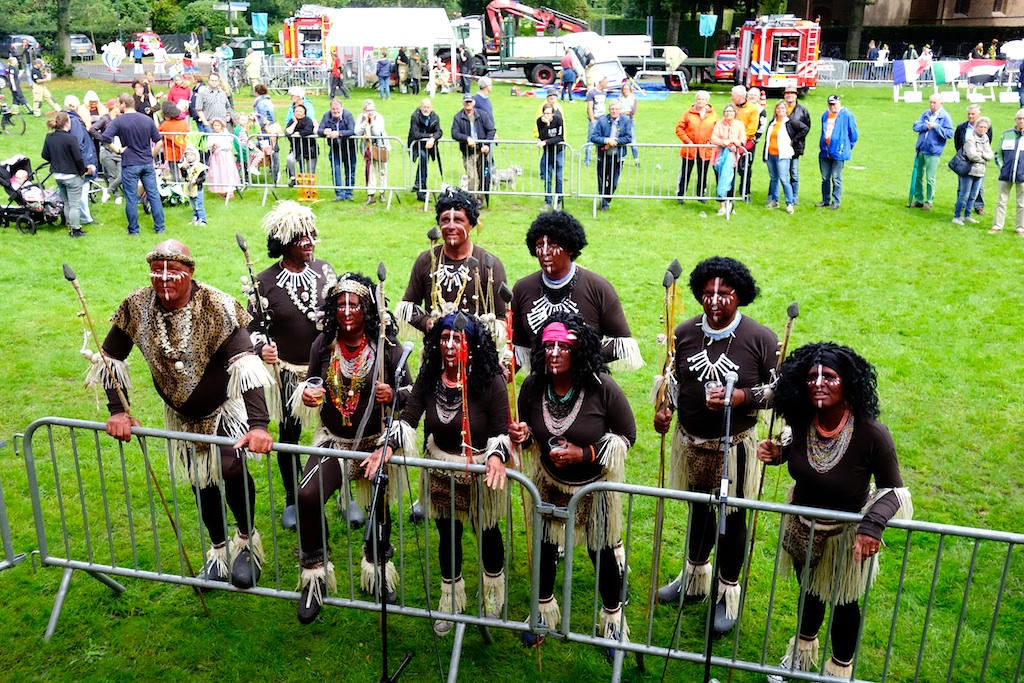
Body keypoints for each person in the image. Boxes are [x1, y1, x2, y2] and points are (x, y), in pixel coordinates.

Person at [86, 240, 275, 590]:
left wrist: (259, 425)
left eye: (173, 270)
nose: (164, 278)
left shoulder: (217, 305)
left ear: (189, 271)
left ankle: (247, 543)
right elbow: (110, 359)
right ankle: (218, 552)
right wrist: (118, 411)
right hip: (181, 416)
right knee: (201, 481)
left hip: (223, 408)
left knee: (231, 468)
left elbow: (246, 365)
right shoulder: (136, 305)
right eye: (157, 270)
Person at [757, 343, 912, 681]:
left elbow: (894, 492)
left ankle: (840, 670)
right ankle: (799, 658)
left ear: (848, 383)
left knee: (844, 602)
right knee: (809, 593)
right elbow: (799, 453)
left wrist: (872, 526)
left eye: (829, 376)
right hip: (803, 529)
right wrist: (777, 453)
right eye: (811, 376)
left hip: (846, 537)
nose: (819, 383)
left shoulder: (872, 434)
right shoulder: (802, 421)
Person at [653, 256, 777, 637]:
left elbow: (780, 392)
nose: (715, 301)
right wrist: (665, 409)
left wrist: (742, 397)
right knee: (698, 511)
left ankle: (727, 592)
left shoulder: (761, 338)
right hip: (691, 442)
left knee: (732, 517)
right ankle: (694, 580)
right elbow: (674, 380)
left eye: (725, 294)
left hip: (734, 448)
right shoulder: (685, 332)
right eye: (708, 293)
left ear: (740, 296)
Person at [508, 313, 635, 655]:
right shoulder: (532, 386)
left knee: (602, 551)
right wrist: (523, 435)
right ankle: (543, 614)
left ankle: (613, 623)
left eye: (563, 347)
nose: (554, 353)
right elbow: (530, 432)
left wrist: (585, 454)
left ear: (578, 350)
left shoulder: (601, 387)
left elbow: (627, 435)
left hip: (594, 487)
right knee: (545, 547)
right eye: (548, 346)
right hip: (549, 482)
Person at [291, 273, 411, 623]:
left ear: (367, 309)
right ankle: (314, 575)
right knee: (307, 495)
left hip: (377, 443)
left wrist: (394, 394)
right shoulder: (323, 345)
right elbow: (310, 383)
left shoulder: (386, 345)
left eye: (354, 304)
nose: (346, 310)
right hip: (334, 440)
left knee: (379, 506)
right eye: (340, 304)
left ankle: (378, 569)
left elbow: (412, 393)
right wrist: (307, 395)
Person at [390, 314, 510, 634]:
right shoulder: (430, 375)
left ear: (472, 344)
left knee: (487, 531)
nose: (450, 345)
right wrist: (389, 446)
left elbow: (501, 430)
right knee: (448, 535)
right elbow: (409, 417)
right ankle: (451, 601)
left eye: (458, 338)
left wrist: (496, 457)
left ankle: (493, 594)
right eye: (445, 338)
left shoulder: (490, 380)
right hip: (441, 469)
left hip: (481, 471)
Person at [246, 202, 337, 530]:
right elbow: (250, 329)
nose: (310, 241)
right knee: (289, 434)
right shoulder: (263, 282)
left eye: (312, 234)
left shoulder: (325, 271)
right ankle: (292, 497)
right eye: (301, 237)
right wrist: (262, 347)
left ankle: (344, 496)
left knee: (338, 428)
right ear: (284, 243)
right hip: (285, 372)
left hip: (325, 368)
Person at [510, 210, 642, 371]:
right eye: (539, 246)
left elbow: (624, 344)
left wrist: (581, 353)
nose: (545, 252)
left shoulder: (598, 288)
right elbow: (519, 348)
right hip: (541, 382)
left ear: (570, 248)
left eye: (553, 244)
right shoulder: (522, 289)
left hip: (587, 380)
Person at [398, 187, 508, 341]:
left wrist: (474, 330)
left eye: (458, 220)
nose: (451, 226)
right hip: (435, 350)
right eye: (445, 220)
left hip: (476, 351)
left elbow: (501, 318)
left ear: (471, 224)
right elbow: (407, 308)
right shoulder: (426, 260)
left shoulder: (489, 265)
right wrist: (429, 323)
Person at [100, 93, 166, 235]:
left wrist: (117, 150)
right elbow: (159, 142)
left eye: (118, 104)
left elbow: (105, 138)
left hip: (130, 163)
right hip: (146, 162)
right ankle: (160, 227)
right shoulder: (146, 119)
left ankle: (134, 230)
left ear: (123, 104)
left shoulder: (119, 121)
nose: (117, 106)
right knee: (153, 195)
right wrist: (152, 156)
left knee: (130, 197)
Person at [41, 112, 94, 238]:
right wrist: (83, 170)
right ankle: (75, 229)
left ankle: (70, 226)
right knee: (74, 204)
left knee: (67, 202)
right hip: (71, 176)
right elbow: (78, 159)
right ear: (67, 123)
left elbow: (45, 155)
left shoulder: (50, 137)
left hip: (58, 175)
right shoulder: (71, 138)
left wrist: (56, 159)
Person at [910, 93, 954, 210]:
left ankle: (929, 201)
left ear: (941, 103)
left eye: (934, 103)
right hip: (921, 149)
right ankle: (919, 199)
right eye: (930, 102)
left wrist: (936, 127)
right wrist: (926, 127)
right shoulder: (926, 114)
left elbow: (949, 133)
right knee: (918, 176)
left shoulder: (945, 117)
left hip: (933, 152)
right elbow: (915, 126)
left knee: (930, 178)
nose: (932, 105)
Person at [763, 100, 808, 214]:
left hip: (783, 155)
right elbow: (768, 139)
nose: (780, 110)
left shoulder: (790, 122)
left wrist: (794, 140)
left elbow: (804, 128)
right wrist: (765, 154)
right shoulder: (772, 122)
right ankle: (775, 200)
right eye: (778, 108)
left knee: (783, 179)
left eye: (782, 108)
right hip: (771, 154)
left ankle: (789, 203)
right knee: (774, 178)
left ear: (786, 110)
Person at [589, 99, 633, 212]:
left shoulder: (626, 120)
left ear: (620, 110)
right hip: (603, 156)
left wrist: (616, 142)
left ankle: (606, 198)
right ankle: (604, 205)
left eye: (617, 109)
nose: (614, 111)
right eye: (612, 109)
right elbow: (594, 137)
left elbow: (629, 137)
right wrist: (607, 140)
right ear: (609, 110)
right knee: (602, 180)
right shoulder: (602, 121)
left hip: (617, 157)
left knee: (613, 182)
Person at [676, 90, 718, 202]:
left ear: (707, 101)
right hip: (690, 148)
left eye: (703, 99)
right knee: (685, 172)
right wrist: (688, 141)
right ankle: (680, 194)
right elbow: (679, 128)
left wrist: (710, 142)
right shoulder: (688, 113)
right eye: (699, 99)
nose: (700, 101)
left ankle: (701, 195)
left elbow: (716, 130)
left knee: (703, 173)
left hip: (705, 149)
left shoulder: (713, 114)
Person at [64, 95, 100, 228]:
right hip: (81, 160)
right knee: (82, 191)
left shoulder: (64, 119)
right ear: (77, 106)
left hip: (67, 162)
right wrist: (85, 163)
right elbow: (78, 143)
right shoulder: (75, 121)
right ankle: (86, 218)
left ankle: (72, 218)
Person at [451, 94, 495, 200]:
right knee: (472, 177)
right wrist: (467, 138)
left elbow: (491, 130)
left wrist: (486, 145)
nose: (468, 104)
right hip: (468, 152)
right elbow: (454, 133)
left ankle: (480, 199)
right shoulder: (458, 117)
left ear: (474, 103)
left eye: (470, 101)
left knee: (483, 177)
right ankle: (471, 200)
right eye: (466, 102)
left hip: (482, 152)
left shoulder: (482, 115)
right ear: (463, 103)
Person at [818, 94, 858, 210]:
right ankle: (825, 200)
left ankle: (836, 202)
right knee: (825, 178)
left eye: (834, 104)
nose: (832, 107)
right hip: (825, 151)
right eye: (830, 104)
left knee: (836, 178)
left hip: (838, 151)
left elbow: (853, 134)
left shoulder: (847, 115)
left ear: (839, 103)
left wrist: (847, 146)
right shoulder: (825, 115)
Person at [988, 108, 1024, 236]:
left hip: (1022, 176)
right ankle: (997, 226)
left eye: (1023, 119)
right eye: (1019, 118)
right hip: (1005, 175)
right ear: (1015, 120)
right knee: (1001, 201)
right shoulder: (1006, 134)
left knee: (1022, 203)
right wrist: (1003, 167)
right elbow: (998, 154)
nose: (1021, 121)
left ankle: (1020, 228)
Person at [953, 116, 993, 226]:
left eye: (985, 127)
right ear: (975, 127)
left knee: (973, 195)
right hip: (969, 171)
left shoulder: (986, 139)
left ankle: (967, 215)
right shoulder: (970, 139)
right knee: (964, 195)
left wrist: (982, 154)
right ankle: (957, 216)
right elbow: (972, 155)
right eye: (981, 127)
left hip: (980, 172)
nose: (983, 129)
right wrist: (984, 159)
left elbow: (990, 155)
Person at [710, 103, 747, 216]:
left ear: (735, 113)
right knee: (720, 180)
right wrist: (723, 143)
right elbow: (713, 138)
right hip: (718, 158)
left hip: (733, 159)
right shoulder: (719, 124)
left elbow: (743, 139)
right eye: (726, 112)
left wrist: (734, 143)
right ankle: (722, 206)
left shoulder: (739, 125)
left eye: (731, 111)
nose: (728, 114)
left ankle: (730, 205)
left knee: (731, 180)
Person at [319, 98, 357, 202]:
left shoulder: (348, 115)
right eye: (333, 109)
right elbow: (319, 129)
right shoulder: (326, 116)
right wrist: (324, 131)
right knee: (336, 170)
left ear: (342, 108)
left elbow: (352, 130)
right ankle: (339, 194)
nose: (335, 111)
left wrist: (339, 133)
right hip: (335, 147)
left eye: (337, 109)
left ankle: (349, 193)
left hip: (349, 147)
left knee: (350, 169)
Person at [354, 98, 390, 205]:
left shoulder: (379, 117)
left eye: (372, 110)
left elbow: (377, 133)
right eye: (367, 110)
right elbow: (356, 132)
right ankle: (371, 195)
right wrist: (364, 123)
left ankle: (382, 192)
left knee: (383, 171)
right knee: (370, 171)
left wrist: (373, 122)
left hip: (381, 147)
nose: (370, 112)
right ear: (363, 110)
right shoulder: (360, 118)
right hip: (368, 148)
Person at [408, 98, 442, 201]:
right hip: (416, 145)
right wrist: (430, 136)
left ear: (431, 108)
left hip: (429, 147)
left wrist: (432, 139)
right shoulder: (415, 116)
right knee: (423, 157)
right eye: (424, 107)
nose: (426, 109)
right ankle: (420, 186)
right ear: (420, 107)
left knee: (424, 162)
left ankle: (420, 187)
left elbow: (439, 132)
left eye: (428, 107)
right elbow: (415, 133)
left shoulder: (435, 117)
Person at [90, 101, 123, 204]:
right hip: (107, 150)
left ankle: (107, 191)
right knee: (112, 175)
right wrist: (103, 139)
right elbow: (92, 129)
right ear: (114, 108)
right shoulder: (104, 119)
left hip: (119, 150)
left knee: (123, 174)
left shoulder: (120, 119)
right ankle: (117, 196)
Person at [782, 85, 811, 203]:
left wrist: (794, 140)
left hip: (795, 146)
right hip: (781, 146)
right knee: (781, 172)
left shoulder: (802, 110)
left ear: (796, 95)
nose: (789, 95)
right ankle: (777, 196)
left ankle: (794, 197)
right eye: (787, 93)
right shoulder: (780, 108)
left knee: (794, 172)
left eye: (792, 93)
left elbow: (806, 128)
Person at [732, 85, 760, 202]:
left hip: (746, 143)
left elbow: (752, 128)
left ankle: (745, 192)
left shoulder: (753, 109)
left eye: (733, 95)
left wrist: (741, 141)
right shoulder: (732, 108)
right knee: (732, 167)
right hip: (733, 143)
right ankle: (730, 192)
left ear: (740, 96)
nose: (731, 97)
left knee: (745, 168)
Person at [536, 101, 565, 210]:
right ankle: (548, 201)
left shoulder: (558, 120)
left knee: (559, 178)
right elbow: (542, 136)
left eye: (548, 113)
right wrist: (546, 125)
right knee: (547, 178)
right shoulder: (539, 121)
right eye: (544, 113)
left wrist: (546, 142)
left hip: (558, 151)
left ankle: (558, 202)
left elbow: (560, 137)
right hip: (547, 152)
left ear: (553, 113)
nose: (546, 115)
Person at [206, 117, 242, 198]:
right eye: (215, 125)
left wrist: (220, 146)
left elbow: (229, 146)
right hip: (216, 157)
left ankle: (230, 190)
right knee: (218, 173)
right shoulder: (211, 136)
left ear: (221, 126)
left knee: (227, 172)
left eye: (218, 125)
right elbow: (209, 145)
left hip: (225, 156)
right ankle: (222, 189)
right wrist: (212, 146)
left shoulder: (225, 135)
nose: (216, 127)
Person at [286, 103, 318, 183]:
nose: (298, 113)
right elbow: (287, 132)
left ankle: (311, 187)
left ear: (304, 113)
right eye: (296, 111)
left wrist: (298, 133)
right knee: (290, 159)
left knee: (310, 171)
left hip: (310, 149)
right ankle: (293, 178)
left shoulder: (308, 121)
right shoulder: (292, 121)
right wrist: (295, 123)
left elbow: (308, 130)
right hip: (296, 149)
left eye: (300, 111)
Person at [179, 144, 207, 226]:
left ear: (196, 156)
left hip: (197, 189)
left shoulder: (199, 166)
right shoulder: (186, 165)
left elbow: (203, 178)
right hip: (190, 188)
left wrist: (196, 181)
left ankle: (203, 220)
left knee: (199, 204)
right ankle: (196, 217)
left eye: (191, 155)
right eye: (187, 155)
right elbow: (184, 176)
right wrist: (183, 169)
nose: (189, 157)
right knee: (194, 204)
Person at [584, 76, 608, 167]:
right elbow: (590, 108)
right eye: (606, 83)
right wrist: (593, 120)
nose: (607, 85)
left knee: (601, 139)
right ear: (602, 83)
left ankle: (600, 158)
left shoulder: (604, 93)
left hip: (602, 119)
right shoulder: (592, 93)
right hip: (595, 119)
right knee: (590, 140)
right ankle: (587, 160)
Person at [618, 83, 640, 166]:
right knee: (621, 142)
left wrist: (623, 112)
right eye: (624, 89)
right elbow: (617, 111)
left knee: (633, 142)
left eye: (627, 89)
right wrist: (624, 112)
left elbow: (632, 112)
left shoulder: (633, 99)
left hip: (629, 123)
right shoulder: (619, 100)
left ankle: (636, 161)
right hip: (620, 123)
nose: (626, 91)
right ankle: (621, 160)